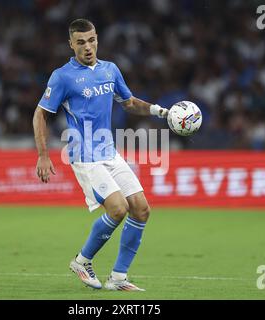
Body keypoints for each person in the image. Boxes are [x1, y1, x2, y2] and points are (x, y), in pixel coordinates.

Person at [33, 19, 168, 291]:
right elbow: (40, 114)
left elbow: (129, 103)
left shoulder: (110, 70)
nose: (88, 47)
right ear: (71, 44)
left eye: (92, 40)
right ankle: (82, 261)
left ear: (97, 39)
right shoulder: (62, 76)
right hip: (84, 155)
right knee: (118, 208)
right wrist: (43, 154)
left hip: (110, 152)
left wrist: (160, 112)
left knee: (141, 210)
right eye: (81, 42)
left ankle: (118, 277)